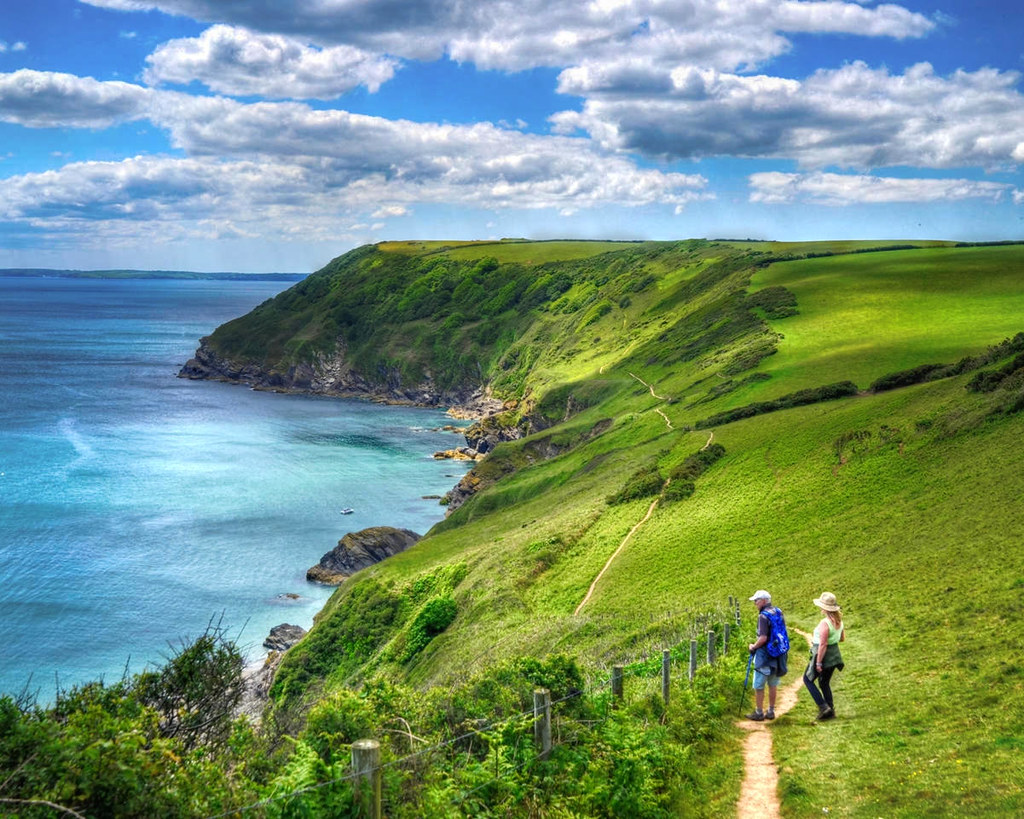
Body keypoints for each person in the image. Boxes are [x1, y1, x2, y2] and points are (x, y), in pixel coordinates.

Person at [803, 591, 846, 721]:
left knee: (807, 679)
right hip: (835, 655)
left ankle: (823, 707)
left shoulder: (825, 623)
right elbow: (842, 638)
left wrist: (818, 663)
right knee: (824, 682)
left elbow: (822, 644)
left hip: (822, 655)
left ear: (825, 608)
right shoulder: (839, 621)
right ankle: (831, 711)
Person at [746, 589, 787, 721]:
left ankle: (759, 712)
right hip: (777, 653)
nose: (755, 604)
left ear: (764, 601)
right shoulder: (778, 612)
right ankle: (771, 711)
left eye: (756, 601)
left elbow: (763, 638)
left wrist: (753, 646)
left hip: (764, 655)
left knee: (759, 685)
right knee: (773, 683)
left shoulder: (762, 616)